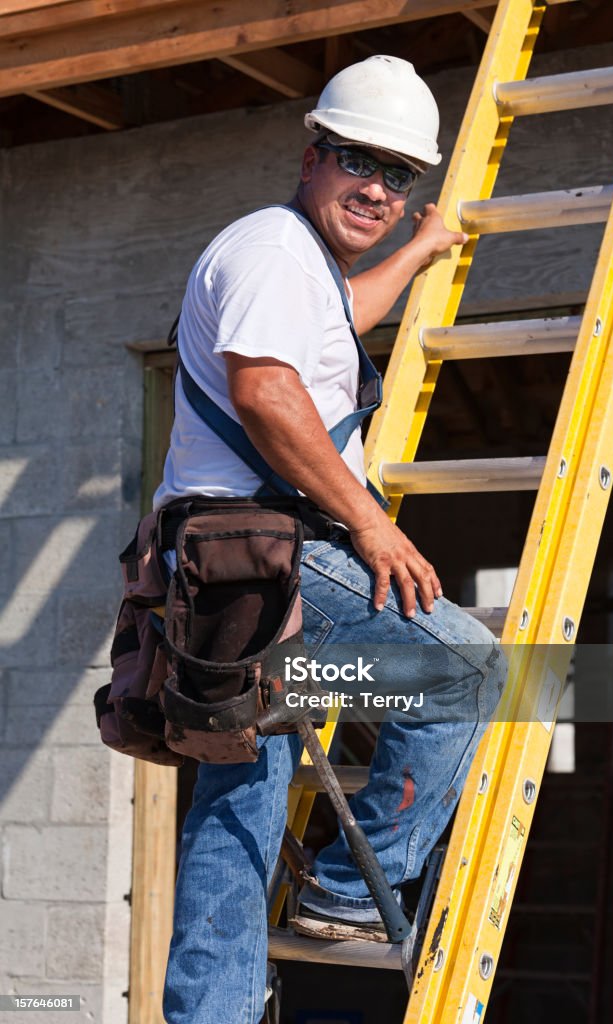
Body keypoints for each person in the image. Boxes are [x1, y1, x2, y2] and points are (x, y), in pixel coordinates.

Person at [159, 55, 505, 1024]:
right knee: (469, 669)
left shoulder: (298, 264)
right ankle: (353, 892)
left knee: (237, 812)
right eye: (360, 160)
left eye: (400, 176)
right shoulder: (273, 248)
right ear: (313, 153)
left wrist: (423, 249)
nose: (379, 188)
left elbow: (335, 324)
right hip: (268, 547)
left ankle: (209, 1014)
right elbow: (266, 391)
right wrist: (370, 523)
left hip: (223, 581)